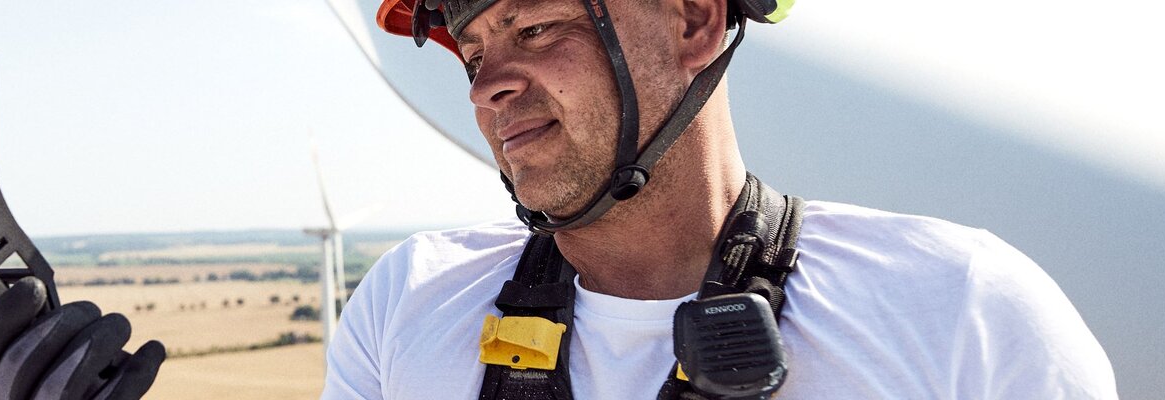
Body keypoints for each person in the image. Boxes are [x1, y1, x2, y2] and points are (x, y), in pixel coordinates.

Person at [320, 0, 1117, 399]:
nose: (489, 86)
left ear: (694, 19)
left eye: (534, 28)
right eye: (474, 51)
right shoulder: (407, 304)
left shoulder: (959, 310)